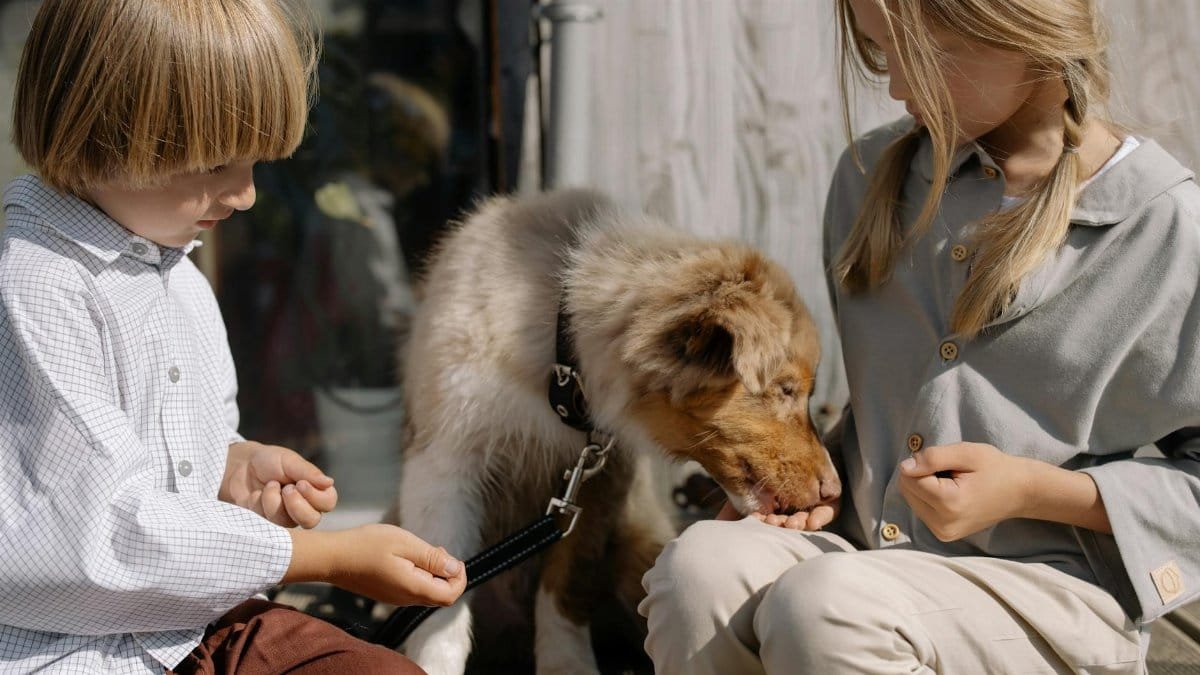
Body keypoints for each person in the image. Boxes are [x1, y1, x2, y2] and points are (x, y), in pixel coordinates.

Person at [639, 0, 1200, 672]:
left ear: (1019, 28)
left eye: (919, 54)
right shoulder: (867, 181)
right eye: (881, 53)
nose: (897, 85)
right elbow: (902, 400)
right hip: (866, 556)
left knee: (829, 604)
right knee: (700, 565)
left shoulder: (1165, 229)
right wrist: (812, 477)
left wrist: (1029, 490)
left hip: (1051, 595)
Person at [0, 1, 466, 673]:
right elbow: (93, 531)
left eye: (253, 164)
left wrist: (227, 466)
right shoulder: (38, 286)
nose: (246, 195)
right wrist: (326, 557)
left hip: (202, 620)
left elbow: (146, 459)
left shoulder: (177, 274)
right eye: (218, 166)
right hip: (74, 649)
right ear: (105, 133)